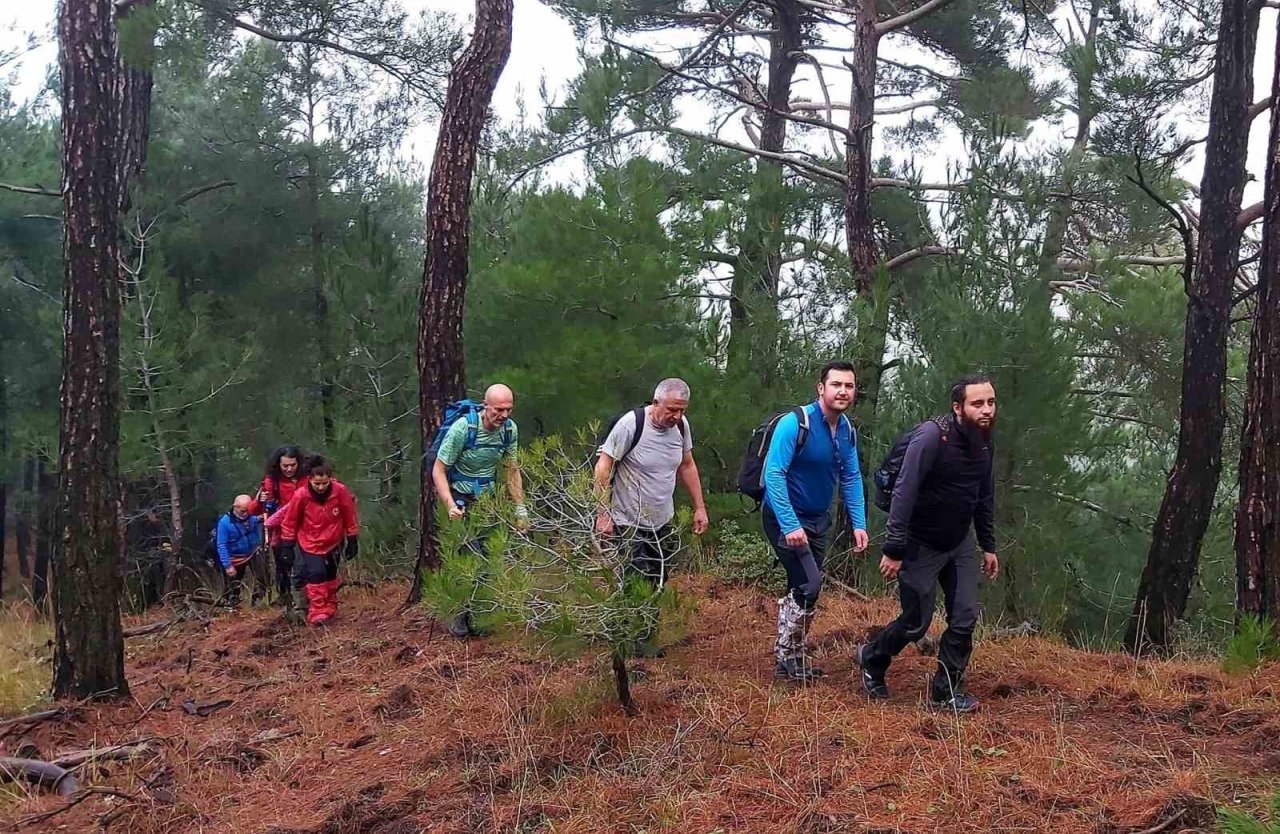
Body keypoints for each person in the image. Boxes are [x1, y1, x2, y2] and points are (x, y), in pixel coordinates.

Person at [856, 374, 998, 713]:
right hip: (921, 543)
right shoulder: (932, 438)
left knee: (964, 617)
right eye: (978, 403)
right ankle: (872, 659)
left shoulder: (984, 442)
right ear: (957, 407)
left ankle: (946, 692)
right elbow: (904, 492)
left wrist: (988, 545)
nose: (987, 410)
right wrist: (894, 549)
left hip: (959, 542)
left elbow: (983, 497)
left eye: (991, 402)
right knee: (916, 621)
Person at [762, 360, 869, 682]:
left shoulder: (847, 429)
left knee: (800, 586)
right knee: (810, 584)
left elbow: (851, 476)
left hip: (817, 520)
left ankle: (789, 658)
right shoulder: (796, 423)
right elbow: (774, 474)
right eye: (836, 384)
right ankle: (787, 657)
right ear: (821, 388)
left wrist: (859, 523)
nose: (843, 391)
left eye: (849, 386)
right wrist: (790, 525)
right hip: (784, 517)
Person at [593, 378, 709, 589]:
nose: (677, 416)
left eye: (682, 410)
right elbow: (603, 466)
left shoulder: (681, 427)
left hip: (662, 521)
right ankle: (624, 622)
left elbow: (687, 465)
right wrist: (602, 513)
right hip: (628, 521)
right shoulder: (631, 424)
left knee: (658, 584)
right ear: (656, 403)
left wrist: (699, 507)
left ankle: (649, 623)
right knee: (632, 586)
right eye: (672, 409)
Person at [432, 383, 525, 637]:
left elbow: (511, 470)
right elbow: (438, 469)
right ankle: (459, 618)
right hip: (461, 500)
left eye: (509, 410)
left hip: (489, 502)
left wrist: (520, 509)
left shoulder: (509, 431)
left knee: (487, 560)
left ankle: (479, 617)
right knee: (466, 560)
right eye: (498, 410)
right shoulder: (464, 429)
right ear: (486, 407)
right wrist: (450, 504)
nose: (504, 415)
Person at [279, 456, 360, 626]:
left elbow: (349, 514)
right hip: (310, 542)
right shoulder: (301, 495)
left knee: (330, 573)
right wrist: (287, 544)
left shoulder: (340, 491)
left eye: (325, 483)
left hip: (334, 540)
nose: (321, 487)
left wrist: (352, 537)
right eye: (317, 484)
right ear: (309, 479)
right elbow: (290, 521)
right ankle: (317, 610)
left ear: (330, 479)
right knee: (316, 573)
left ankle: (329, 604)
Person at [248, 445, 307, 612]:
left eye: (293, 465)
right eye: (285, 466)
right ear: (278, 465)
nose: (289, 469)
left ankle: (302, 601)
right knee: (283, 566)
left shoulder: (308, 477)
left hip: (306, 529)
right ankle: (285, 598)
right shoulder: (271, 482)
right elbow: (254, 511)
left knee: (302, 565)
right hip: (280, 532)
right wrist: (260, 500)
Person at [216, 495, 266, 608]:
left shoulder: (251, 517)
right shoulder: (224, 523)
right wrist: (227, 565)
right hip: (235, 557)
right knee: (234, 585)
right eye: (243, 511)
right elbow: (221, 545)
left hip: (253, 552)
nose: (245, 513)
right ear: (235, 507)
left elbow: (255, 519)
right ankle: (231, 607)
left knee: (261, 579)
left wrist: (262, 517)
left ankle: (257, 604)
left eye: (248, 510)